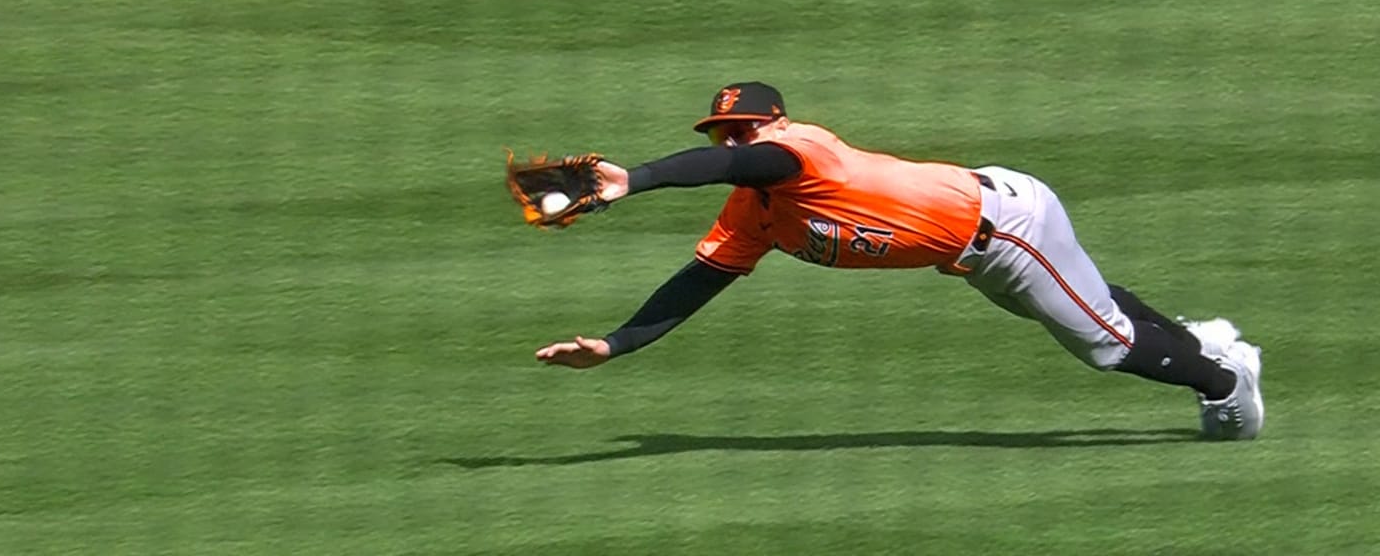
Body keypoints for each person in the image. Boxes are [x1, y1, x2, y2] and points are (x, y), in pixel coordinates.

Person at [534, 82, 1265, 440]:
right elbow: (697, 282)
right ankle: (1207, 344)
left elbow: (732, 165)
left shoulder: (802, 150)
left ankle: (1225, 384)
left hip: (1002, 226)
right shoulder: (753, 211)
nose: (734, 142)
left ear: (774, 123)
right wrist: (615, 345)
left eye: (742, 128)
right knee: (1089, 298)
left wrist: (639, 179)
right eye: (722, 132)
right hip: (979, 245)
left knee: (1103, 342)